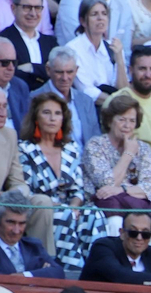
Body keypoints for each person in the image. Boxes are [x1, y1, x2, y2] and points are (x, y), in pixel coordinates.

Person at [14, 93, 100, 272]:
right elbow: (26, 189)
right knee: (63, 215)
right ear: (36, 117)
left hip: (70, 207)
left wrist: (75, 206)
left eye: (57, 113)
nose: (53, 118)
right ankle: (72, 272)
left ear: (64, 118)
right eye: (46, 113)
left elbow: (78, 188)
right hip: (41, 208)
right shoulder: (24, 149)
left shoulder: (71, 148)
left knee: (93, 214)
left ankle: (96, 271)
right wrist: (64, 208)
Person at [80, 210, 151, 285]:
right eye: (133, 232)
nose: (139, 238)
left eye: (145, 234)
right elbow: (118, 275)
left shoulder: (150, 254)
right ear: (122, 233)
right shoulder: (103, 247)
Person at [65, 0, 129, 101]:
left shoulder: (113, 48)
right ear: (83, 21)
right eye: (94, 14)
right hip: (90, 107)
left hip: (115, 106)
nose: (100, 18)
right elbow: (86, 90)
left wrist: (119, 60)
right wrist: (114, 103)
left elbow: (124, 89)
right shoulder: (72, 49)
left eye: (104, 14)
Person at [0, 195, 57, 277]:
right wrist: (40, 273)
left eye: (22, 223)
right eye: (11, 222)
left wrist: (24, 276)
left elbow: (57, 272)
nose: (16, 231)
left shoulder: (33, 245)